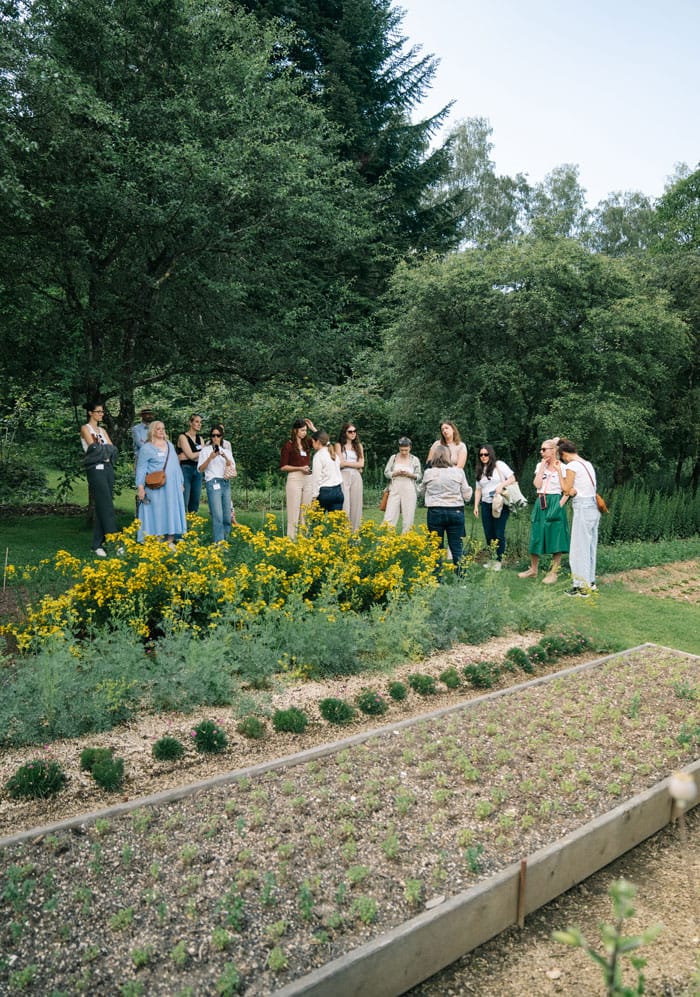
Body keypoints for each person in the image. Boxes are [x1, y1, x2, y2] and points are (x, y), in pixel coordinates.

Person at [518, 438, 570, 583]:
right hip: (541, 501)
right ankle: (533, 569)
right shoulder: (540, 466)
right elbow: (537, 484)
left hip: (555, 500)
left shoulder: (563, 467)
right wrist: (541, 467)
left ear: (553, 451)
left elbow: (567, 489)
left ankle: (553, 572)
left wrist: (560, 504)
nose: (541, 452)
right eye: (541, 449)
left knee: (556, 535)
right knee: (536, 534)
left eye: (544, 449)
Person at [558, 439, 601, 596]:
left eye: (561, 457)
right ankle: (590, 581)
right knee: (590, 545)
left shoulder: (572, 465)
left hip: (583, 506)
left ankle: (581, 586)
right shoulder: (586, 463)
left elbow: (566, 489)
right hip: (593, 505)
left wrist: (558, 471)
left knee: (578, 547)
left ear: (564, 454)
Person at [419, 445, 473, 569]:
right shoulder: (458, 472)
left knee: (435, 546)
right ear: (449, 456)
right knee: (456, 545)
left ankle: (437, 577)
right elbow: (467, 495)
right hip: (456, 510)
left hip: (435, 511)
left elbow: (421, 492)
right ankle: (460, 578)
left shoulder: (429, 473)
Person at [135, 420, 187, 547]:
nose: (161, 431)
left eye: (163, 428)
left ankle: (170, 539)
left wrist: (180, 482)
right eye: (158, 429)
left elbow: (176, 465)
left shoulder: (169, 445)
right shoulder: (146, 448)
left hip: (172, 486)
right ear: (152, 430)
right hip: (155, 486)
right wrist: (140, 487)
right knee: (157, 510)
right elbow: (141, 468)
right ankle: (157, 538)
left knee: (171, 509)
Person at [80, 400, 119, 557]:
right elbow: (93, 449)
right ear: (90, 413)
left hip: (108, 469)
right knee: (106, 505)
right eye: (98, 412)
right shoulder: (85, 428)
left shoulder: (102, 430)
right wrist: (104, 451)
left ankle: (97, 544)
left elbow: (113, 450)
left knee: (105, 504)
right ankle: (115, 541)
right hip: (95, 469)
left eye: (102, 412)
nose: (101, 414)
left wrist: (104, 451)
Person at [473, 445, 517, 570]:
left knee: (499, 532)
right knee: (488, 533)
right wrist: (476, 505)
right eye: (481, 455)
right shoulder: (480, 469)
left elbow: (512, 478)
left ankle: (499, 561)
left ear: (490, 454)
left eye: (486, 454)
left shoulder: (499, 465)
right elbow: (478, 489)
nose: (483, 457)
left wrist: (502, 484)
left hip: (500, 502)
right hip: (486, 504)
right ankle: (492, 558)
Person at [197, 425, 236, 543]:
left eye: (218, 435)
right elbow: (200, 469)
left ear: (221, 437)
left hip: (225, 482)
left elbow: (232, 467)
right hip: (213, 482)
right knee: (217, 515)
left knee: (226, 515)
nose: (215, 438)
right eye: (213, 435)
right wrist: (210, 458)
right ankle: (219, 543)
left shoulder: (226, 451)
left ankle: (225, 540)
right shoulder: (205, 451)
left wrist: (225, 458)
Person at [280, 417, 316, 539]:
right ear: (295, 431)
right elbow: (283, 467)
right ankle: (291, 539)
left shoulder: (308, 443)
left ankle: (303, 539)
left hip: (308, 478)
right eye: (302, 430)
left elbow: (322, 442)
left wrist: (313, 429)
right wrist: (299, 468)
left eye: (306, 430)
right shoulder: (288, 445)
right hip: (295, 478)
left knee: (305, 511)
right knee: (293, 511)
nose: (304, 433)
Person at [383, 437, 422, 533]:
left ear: (410, 448)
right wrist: (395, 473)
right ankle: (386, 537)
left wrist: (410, 475)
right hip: (395, 488)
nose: (404, 452)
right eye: (402, 450)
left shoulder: (414, 459)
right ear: (399, 448)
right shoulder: (394, 458)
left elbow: (419, 475)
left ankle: (406, 538)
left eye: (406, 450)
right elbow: (386, 472)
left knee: (408, 516)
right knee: (390, 514)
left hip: (409, 488)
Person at [335, 422, 364, 531]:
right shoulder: (339, 445)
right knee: (345, 505)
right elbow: (340, 464)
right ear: (345, 433)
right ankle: (344, 532)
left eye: (354, 431)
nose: (353, 433)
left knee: (356, 505)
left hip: (356, 476)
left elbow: (362, 464)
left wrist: (347, 463)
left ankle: (355, 533)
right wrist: (355, 465)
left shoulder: (358, 446)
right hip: (343, 475)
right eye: (350, 431)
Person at [310, 430, 344, 512]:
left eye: (312, 442)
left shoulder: (318, 456)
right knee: (335, 522)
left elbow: (316, 478)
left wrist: (314, 496)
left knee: (317, 521)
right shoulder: (334, 455)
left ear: (317, 441)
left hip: (325, 492)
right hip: (338, 491)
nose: (312, 444)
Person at [176, 414, 204, 514]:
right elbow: (191, 456)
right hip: (185, 470)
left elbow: (203, 457)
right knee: (184, 499)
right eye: (196, 421)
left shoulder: (200, 439)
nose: (199, 424)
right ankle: (182, 526)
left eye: (200, 422)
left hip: (197, 470)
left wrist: (192, 455)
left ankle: (192, 525)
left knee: (195, 500)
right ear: (190, 423)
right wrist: (200, 453)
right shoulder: (183, 437)